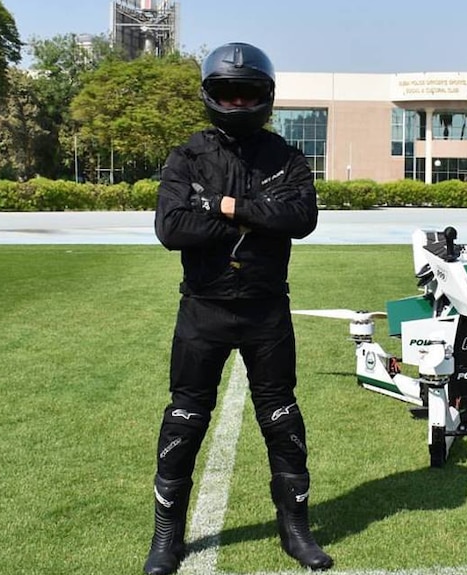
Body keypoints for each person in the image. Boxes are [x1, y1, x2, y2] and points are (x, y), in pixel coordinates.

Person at [143, 42, 333, 575]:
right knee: (184, 420)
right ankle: (166, 539)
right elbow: (171, 228)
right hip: (203, 310)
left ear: (266, 97)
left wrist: (224, 206)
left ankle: (296, 531)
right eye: (225, 93)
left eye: (247, 93)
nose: (236, 102)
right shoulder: (187, 155)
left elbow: (301, 217)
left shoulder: (287, 157)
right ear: (209, 95)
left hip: (266, 310)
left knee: (282, 419)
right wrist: (256, 217)